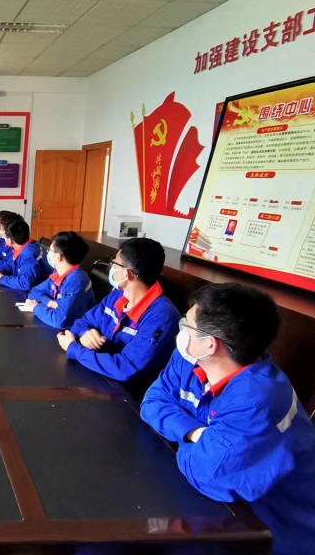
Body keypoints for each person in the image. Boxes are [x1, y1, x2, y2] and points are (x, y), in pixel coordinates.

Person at [141, 283, 315, 555]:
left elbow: (206, 475)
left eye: (187, 325)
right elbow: (152, 401)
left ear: (210, 344)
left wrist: (186, 439)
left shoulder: (256, 399)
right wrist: (196, 433)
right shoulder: (190, 357)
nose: (181, 330)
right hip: (219, 506)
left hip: (272, 528)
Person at [57, 237, 178, 392]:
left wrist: (74, 348)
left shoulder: (162, 316)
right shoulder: (118, 294)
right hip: (100, 376)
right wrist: (84, 334)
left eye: (115, 263)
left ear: (127, 274)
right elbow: (82, 322)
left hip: (130, 394)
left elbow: (125, 368)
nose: (112, 267)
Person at [22, 231, 96, 329]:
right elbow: (33, 292)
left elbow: (60, 320)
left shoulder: (76, 280)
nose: (48, 253)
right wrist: (50, 303)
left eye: (50, 250)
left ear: (58, 257)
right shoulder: (58, 274)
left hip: (74, 332)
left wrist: (36, 307)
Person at [0, 220, 50, 291]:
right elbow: (10, 264)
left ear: (10, 240)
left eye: (5, 237)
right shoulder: (19, 248)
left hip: (37, 292)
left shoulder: (28, 254)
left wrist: (1, 278)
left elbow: (25, 283)